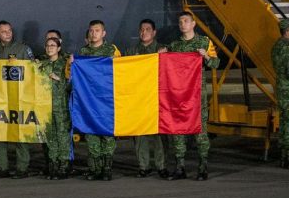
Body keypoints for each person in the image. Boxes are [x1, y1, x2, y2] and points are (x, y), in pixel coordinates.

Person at [165, 12, 219, 181]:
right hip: (178, 96)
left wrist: (206, 56)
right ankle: (180, 167)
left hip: (197, 97)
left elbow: (216, 63)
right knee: (178, 131)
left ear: (193, 23)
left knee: (200, 130)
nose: (182, 24)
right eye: (180, 21)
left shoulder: (204, 42)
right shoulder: (174, 46)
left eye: (186, 21)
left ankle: (203, 167)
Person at [0, 20, 35, 179]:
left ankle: (22, 168)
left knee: (20, 132)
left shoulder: (23, 49)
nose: (7, 33)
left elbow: (33, 70)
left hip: (19, 98)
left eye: (9, 31)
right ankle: (2, 167)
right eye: (3, 31)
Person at [123, 19, 169, 179]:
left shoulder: (162, 49)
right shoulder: (131, 51)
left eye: (148, 29)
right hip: (138, 98)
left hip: (157, 98)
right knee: (140, 133)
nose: (144, 32)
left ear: (154, 32)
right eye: (141, 30)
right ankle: (144, 166)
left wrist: (164, 57)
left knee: (159, 133)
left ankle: (161, 166)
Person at [77, 20, 121, 181]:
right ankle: (95, 169)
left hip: (107, 99)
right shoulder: (84, 51)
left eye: (97, 30)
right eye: (91, 31)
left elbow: (120, 70)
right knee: (91, 133)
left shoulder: (111, 50)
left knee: (107, 134)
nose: (93, 33)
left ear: (104, 33)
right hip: (89, 99)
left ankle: (107, 168)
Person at [40, 37, 71, 180]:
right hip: (46, 108)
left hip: (61, 107)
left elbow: (73, 85)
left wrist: (60, 79)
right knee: (51, 138)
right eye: (47, 45)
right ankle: (53, 166)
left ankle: (64, 166)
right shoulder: (42, 65)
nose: (50, 48)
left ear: (59, 48)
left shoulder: (65, 64)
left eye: (53, 45)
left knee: (63, 137)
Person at [272, 19, 289, 168]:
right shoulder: (286, 48)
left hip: (282, 89)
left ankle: (284, 156)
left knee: (285, 121)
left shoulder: (277, 46)